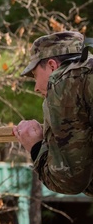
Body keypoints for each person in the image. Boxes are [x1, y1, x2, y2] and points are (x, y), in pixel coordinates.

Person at [12, 31, 93, 196]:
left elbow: (70, 181)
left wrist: (35, 146)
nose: (35, 87)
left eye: (35, 75)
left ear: (52, 66)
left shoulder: (64, 81)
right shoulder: (85, 75)